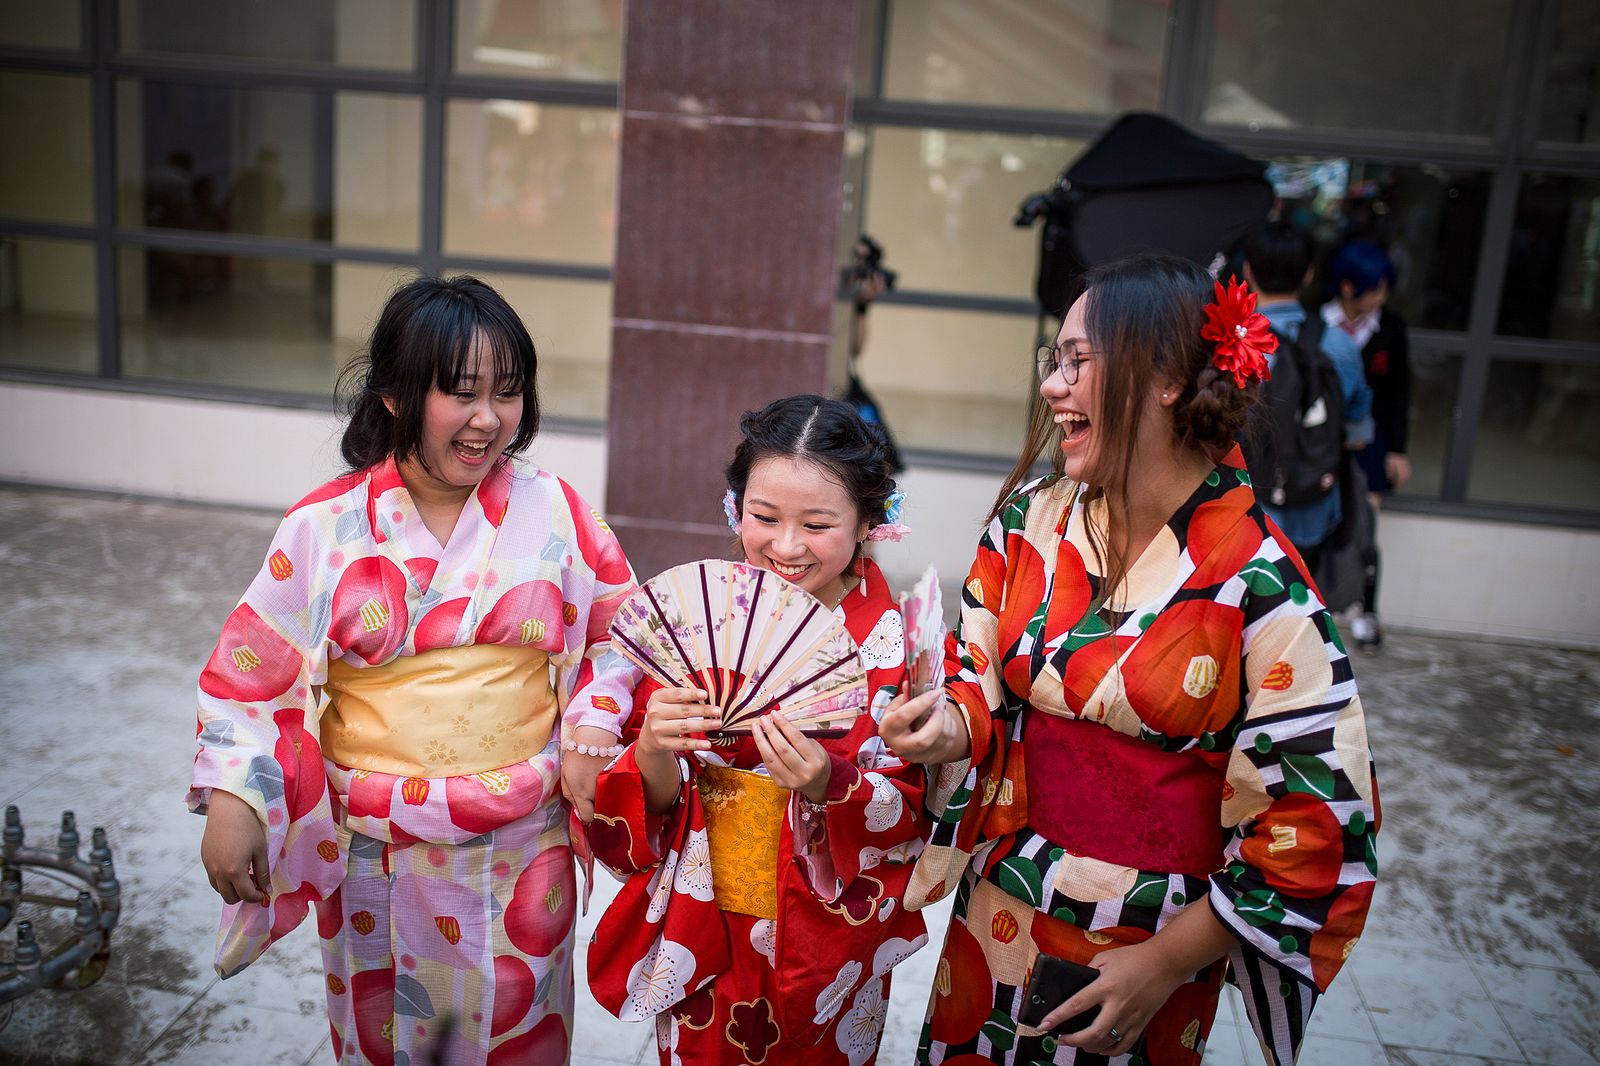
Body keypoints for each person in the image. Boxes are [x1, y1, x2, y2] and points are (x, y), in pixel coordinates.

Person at [880, 254, 1379, 1066]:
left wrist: (1169, 961)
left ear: (1166, 380)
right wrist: (940, 730)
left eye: (1078, 361)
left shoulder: (1262, 583)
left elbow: (1318, 821)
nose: (1052, 385)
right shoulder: (1028, 522)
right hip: (1002, 904)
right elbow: (976, 677)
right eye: (1055, 360)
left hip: (1153, 935)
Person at [191, 275, 639, 1065]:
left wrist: (593, 730)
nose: (489, 419)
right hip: (379, 843)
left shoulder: (557, 509)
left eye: (508, 393)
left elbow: (624, 637)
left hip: (523, 838)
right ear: (395, 395)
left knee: (519, 1026)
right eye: (461, 393)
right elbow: (252, 676)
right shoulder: (324, 526)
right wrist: (235, 792)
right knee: (387, 1034)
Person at [586, 395, 928, 1065]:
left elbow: (914, 808)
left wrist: (834, 781)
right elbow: (652, 803)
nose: (787, 546)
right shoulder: (703, 623)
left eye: (818, 524)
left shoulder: (894, 649)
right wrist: (654, 745)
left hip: (831, 928)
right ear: (734, 509)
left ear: (868, 523)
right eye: (764, 517)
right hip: (709, 907)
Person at [1241, 221, 1373, 576]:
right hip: (1313, 504)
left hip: (1243, 509)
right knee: (1300, 605)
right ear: (1308, 275)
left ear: (1247, 270)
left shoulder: (1229, 344)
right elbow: (1358, 425)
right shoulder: (1339, 345)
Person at [1323, 241, 1411, 650]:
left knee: (1365, 527)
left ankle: (1366, 611)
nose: (1379, 297)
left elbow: (1398, 393)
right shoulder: (1318, 324)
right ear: (1346, 287)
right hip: (1318, 443)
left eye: (1383, 289)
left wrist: (1397, 449)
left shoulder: (1390, 328)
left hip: (1369, 445)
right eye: (1373, 289)